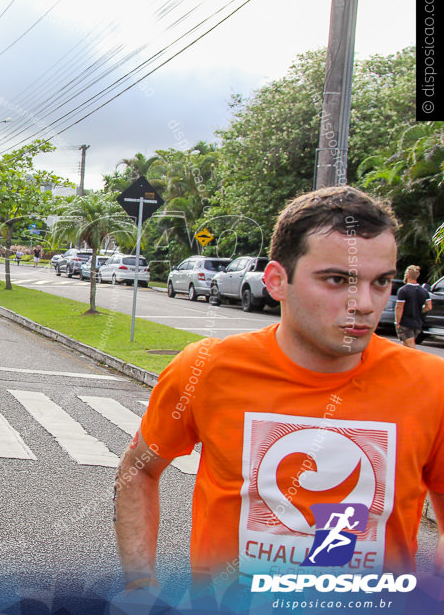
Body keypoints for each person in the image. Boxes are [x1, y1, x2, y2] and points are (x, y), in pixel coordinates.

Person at [114, 186, 444, 599]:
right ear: (276, 281)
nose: (363, 303)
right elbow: (140, 470)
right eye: (337, 280)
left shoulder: (432, 384)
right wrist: (141, 586)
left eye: (381, 282)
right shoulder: (207, 369)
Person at [396, 264, 432, 348]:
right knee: (406, 347)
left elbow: (399, 307)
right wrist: (418, 310)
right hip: (417, 323)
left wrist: (397, 322)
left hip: (405, 323)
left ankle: (416, 361)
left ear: (408, 275)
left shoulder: (403, 290)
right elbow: (429, 307)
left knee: (410, 346)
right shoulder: (424, 291)